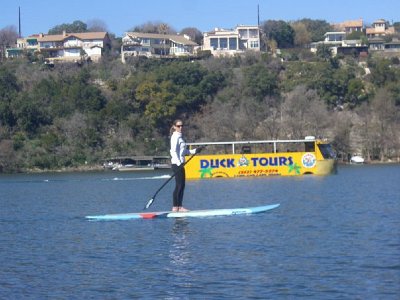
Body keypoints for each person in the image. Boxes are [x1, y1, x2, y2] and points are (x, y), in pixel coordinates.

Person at [169, 119, 202, 212]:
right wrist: (179, 163)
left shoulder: (181, 137)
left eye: (182, 126)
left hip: (180, 164)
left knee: (182, 185)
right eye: (178, 126)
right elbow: (173, 151)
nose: (181, 127)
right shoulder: (175, 137)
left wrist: (195, 151)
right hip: (176, 164)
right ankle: (175, 207)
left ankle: (180, 206)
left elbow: (185, 152)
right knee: (178, 185)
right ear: (174, 127)